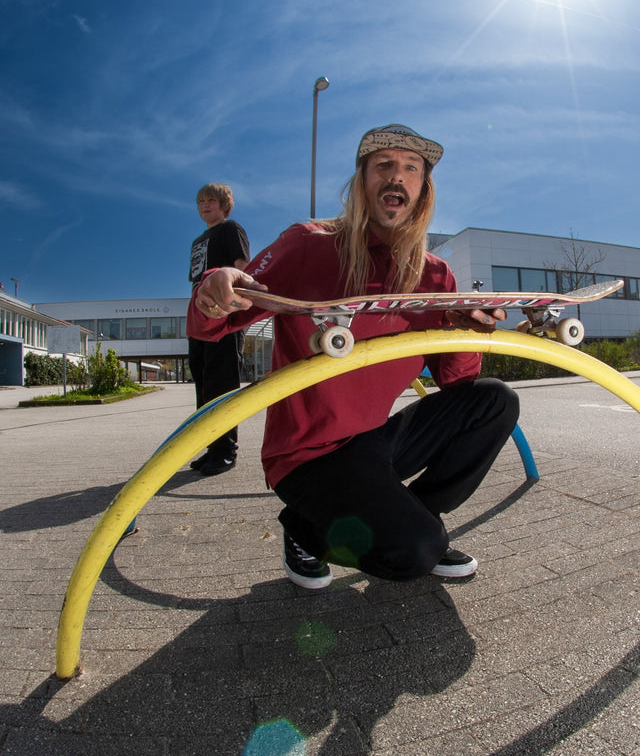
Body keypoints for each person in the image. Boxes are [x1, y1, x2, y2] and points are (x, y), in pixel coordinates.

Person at [187, 124, 519, 588]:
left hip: (374, 442)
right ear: (362, 182)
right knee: (415, 553)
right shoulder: (309, 243)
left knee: (494, 400)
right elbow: (214, 323)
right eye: (383, 166)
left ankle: (416, 516)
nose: (396, 178)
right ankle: (305, 529)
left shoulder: (435, 275)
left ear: (422, 190)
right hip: (307, 455)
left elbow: (457, 384)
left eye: (410, 169)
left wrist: (467, 330)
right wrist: (215, 286)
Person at [187, 183, 251, 475]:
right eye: (201, 201)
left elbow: (242, 268)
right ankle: (211, 446)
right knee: (201, 378)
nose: (205, 205)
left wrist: (236, 308)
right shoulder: (199, 240)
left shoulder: (230, 229)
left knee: (221, 380)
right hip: (199, 312)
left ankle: (226, 451)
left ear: (225, 204)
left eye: (211, 200)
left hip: (223, 312)